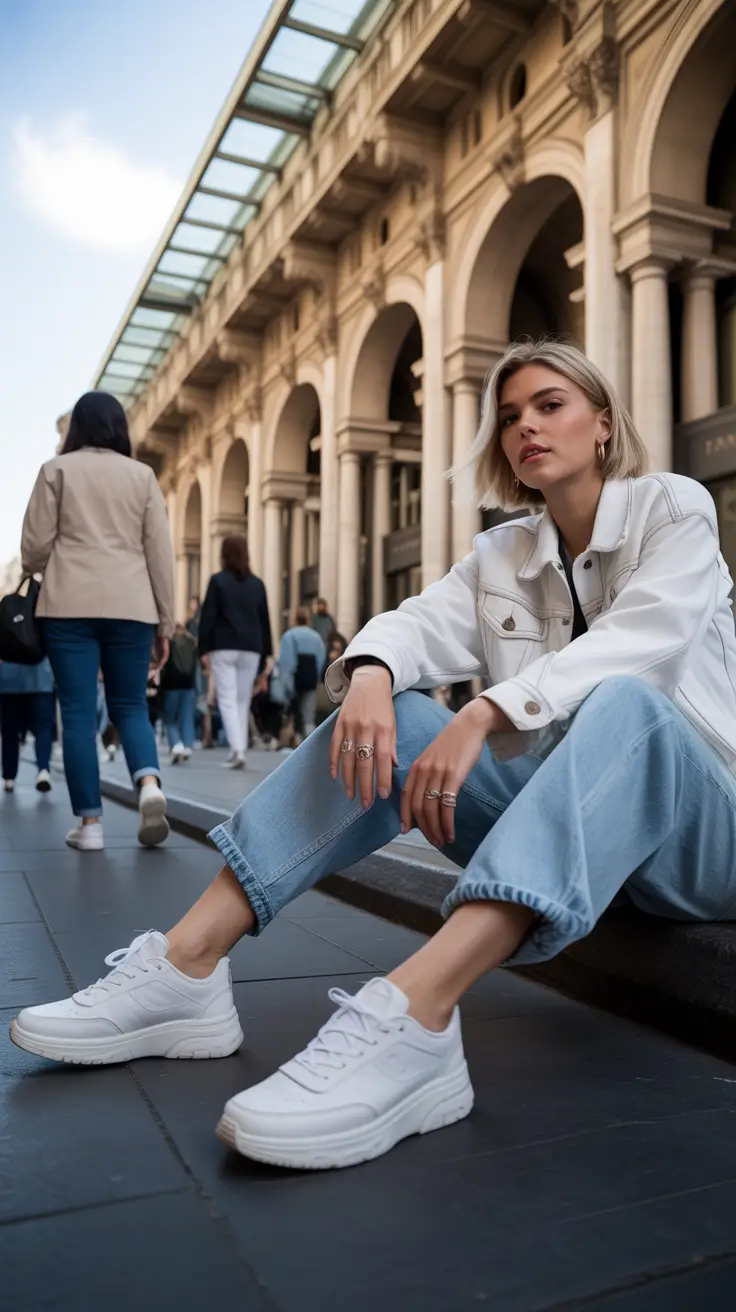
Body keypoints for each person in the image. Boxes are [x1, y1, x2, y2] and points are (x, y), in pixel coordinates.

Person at [13, 340, 736, 1174]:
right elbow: (416, 622)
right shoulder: (505, 553)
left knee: (626, 704)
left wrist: (485, 716)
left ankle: (417, 1015)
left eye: (550, 405)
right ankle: (187, 966)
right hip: (580, 843)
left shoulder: (673, 508)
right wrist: (369, 674)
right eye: (509, 417)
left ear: (603, 422)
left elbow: (645, 644)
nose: (526, 427)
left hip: (703, 836)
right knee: (403, 714)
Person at [20, 390, 175, 851]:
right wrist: (165, 624)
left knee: (78, 712)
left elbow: (32, 550)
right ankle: (148, 783)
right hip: (132, 606)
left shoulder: (56, 471)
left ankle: (90, 826)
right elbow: (159, 555)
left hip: (68, 605)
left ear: (76, 429)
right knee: (130, 705)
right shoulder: (143, 475)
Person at [198, 535, 272, 770]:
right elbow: (265, 621)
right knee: (242, 700)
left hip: (224, 645)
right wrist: (268, 653)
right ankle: (237, 749)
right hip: (251, 647)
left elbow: (208, 617)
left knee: (227, 699)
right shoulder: (257, 584)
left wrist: (203, 647)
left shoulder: (218, 581)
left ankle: (238, 749)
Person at [0, 656, 56, 793]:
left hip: (8, 677)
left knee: (9, 732)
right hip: (41, 676)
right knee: (43, 728)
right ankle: (43, 770)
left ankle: (9, 778)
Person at [279, 607, 326, 743]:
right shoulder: (316, 637)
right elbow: (320, 658)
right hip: (310, 674)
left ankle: (296, 736)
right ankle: (309, 738)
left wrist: (287, 680)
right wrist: (316, 676)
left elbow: (286, 660)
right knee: (308, 710)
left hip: (296, 675)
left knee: (294, 708)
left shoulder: (289, 635)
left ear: (295, 619)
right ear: (308, 620)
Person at [161, 624, 198, 762]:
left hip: (171, 685)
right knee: (187, 716)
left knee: (169, 718)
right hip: (188, 684)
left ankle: (176, 744)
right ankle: (187, 745)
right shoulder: (192, 643)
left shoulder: (169, 643)